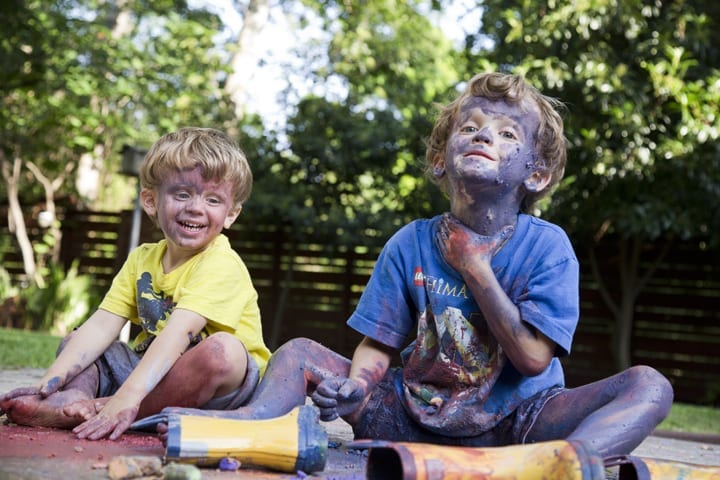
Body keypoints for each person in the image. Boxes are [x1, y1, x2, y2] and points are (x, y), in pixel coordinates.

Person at [155, 73, 673, 457]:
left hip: (521, 424)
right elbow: (378, 344)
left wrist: (475, 268)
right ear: (439, 160)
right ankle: (248, 427)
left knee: (650, 385)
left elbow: (534, 359)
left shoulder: (549, 247)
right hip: (405, 415)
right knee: (297, 353)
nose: (483, 135)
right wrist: (357, 386)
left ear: (535, 174)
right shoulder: (409, 243)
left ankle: (564, 462)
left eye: (507, 134)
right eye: (469, 127)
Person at [0, 127, 271, 441]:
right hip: (152, 370)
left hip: (222, 388)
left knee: (222, 353)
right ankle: (69, 402)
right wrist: (47, 383)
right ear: (151, 200)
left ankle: (116, 407)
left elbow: (178, 333)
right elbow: (102, 325)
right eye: (182, 194)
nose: (195, 207)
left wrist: (128, 396)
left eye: (212, 199)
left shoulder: (220, 263)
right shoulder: (142, 259)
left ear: (231, 214)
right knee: (77, 342)